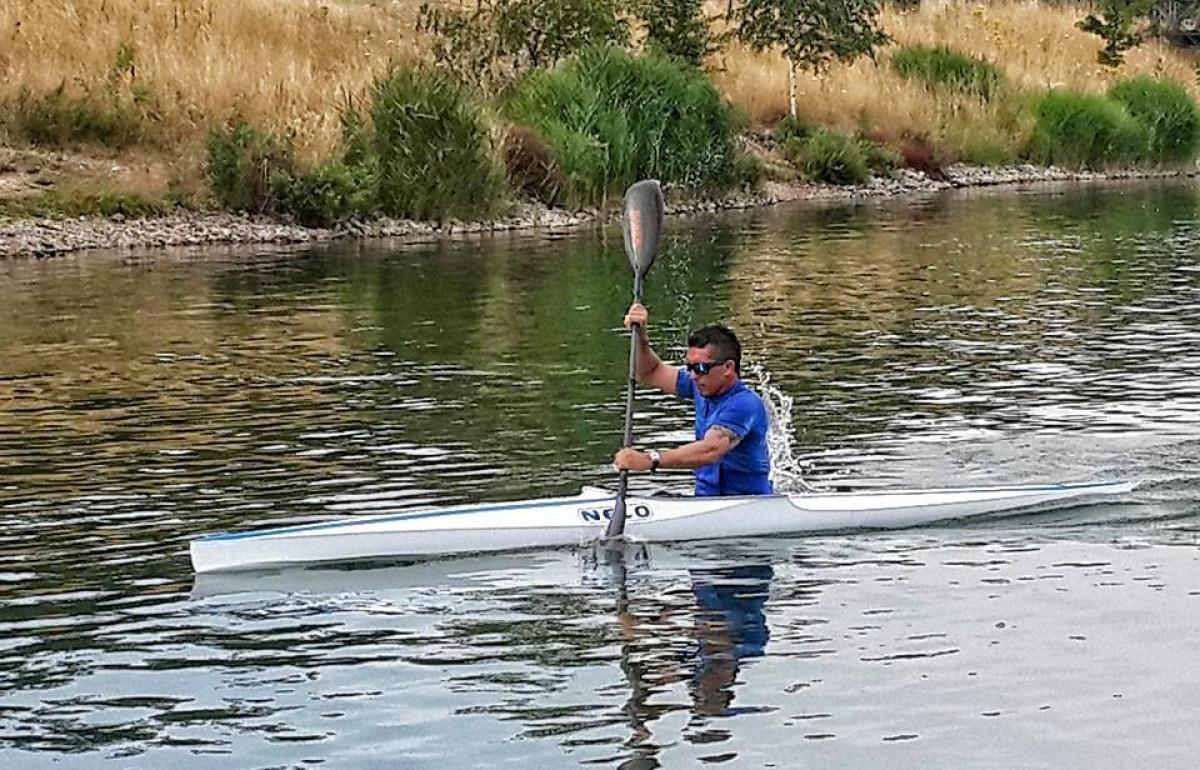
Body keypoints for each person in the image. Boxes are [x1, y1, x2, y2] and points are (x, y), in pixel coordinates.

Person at [613, 303, 772, 496]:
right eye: (689, 367)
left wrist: (651, 460)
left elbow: (710, 450)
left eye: (700, 368)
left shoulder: (745, 404)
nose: (694, 375)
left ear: (728, 368)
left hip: (748, 505)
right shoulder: (699, 385)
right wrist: (640, 336)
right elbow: (649, 372)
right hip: (705, 502)